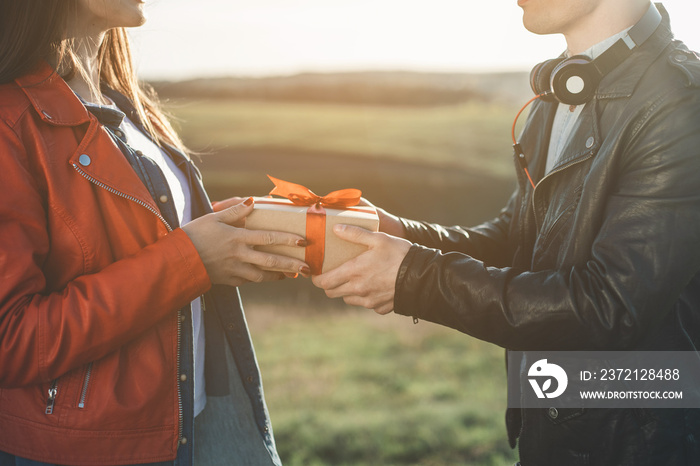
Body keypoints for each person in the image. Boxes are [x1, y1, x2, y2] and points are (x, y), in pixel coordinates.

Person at [312, 0, 700, 464]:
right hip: (553, 426)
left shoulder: (678, 104)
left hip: (639, 441)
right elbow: (516, 240)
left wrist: (413, 277)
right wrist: (401, 233)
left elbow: (609, 306)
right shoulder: (559, 95)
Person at [0, 1, 313, 465]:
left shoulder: (123, 103)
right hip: (88, 448)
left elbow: (139, 239)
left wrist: (213, 231)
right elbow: (12, 340)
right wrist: (192, 259)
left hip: (194, 420)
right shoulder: (10, 124)